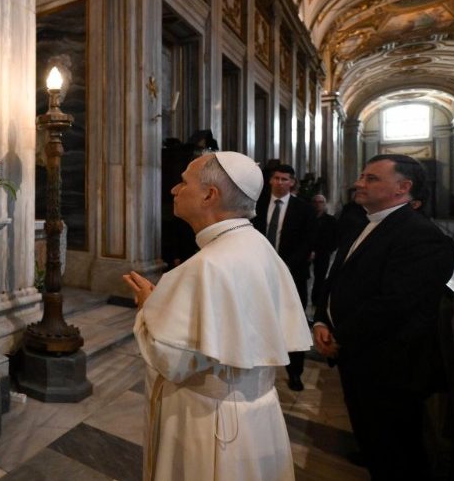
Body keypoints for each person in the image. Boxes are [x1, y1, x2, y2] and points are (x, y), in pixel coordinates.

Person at [124, 152, 312, 481]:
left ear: (210, 195)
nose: (174, 190)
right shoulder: (256, 243)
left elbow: (172, 360)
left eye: (183, 182)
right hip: (254, 417)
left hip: (209, 424)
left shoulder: (208, 265)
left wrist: (148, 307)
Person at [312, 154, 454, 480]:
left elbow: (394, 303)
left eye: (371, 178)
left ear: (403, 187)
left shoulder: (422, 236)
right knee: (373, 443)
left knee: (398, 455)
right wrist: (322, 320)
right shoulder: (366, 221)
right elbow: (337, 279)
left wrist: (340, 335)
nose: (359, 183)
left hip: (391, 367)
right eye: (362, 176)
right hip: (359, 357)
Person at [252, 164, 313, 391]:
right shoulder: (255, 206)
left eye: (285, 179)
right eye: (276, 178)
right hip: (257, 273)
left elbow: (308, 242)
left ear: (292, 182)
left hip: (291, 274)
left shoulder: (303, 209)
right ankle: (256, 364)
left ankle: (295, 372)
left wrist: (281, 267)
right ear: (270, 181)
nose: (279, 182)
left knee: (292, 322)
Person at [309, 194, 337, 313]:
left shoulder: (331, 220)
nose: (318, 204)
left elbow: (336, 237)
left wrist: (329, 250)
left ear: (324, 204)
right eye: (315, 202)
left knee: (320, 277)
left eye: (320, 202)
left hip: (323, 252)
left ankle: (317, 300)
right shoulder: (308, 218)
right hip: (308, 251)